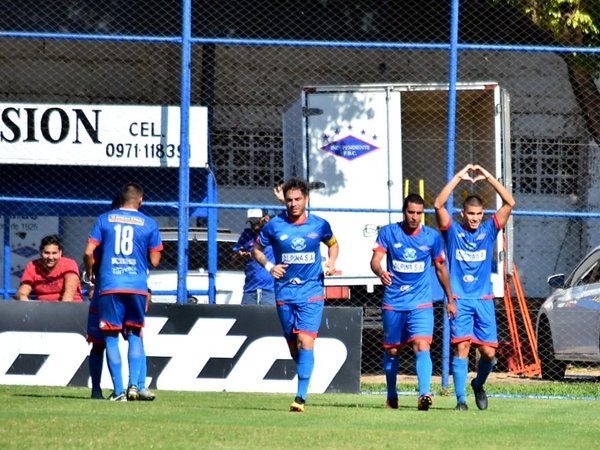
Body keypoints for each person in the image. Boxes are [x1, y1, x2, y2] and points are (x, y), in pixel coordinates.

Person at [252, 177, 339, 412]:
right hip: (285, 292)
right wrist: (270, 267)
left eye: (297, 199)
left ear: (306, 199)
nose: (293, 204)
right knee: (294, 346)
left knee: (305, 340)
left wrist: (331, 262)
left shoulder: (319, 225)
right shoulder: (274, 226)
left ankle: (300, 398)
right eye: (289, 200)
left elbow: (333, 244)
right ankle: (305, 372)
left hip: (311, 291)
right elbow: (256, 251)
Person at [433, 164, 515, 411]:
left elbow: (510, 202)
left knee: (489, 353)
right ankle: (461, 401)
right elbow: (438, 204)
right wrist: (459, 176)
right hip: (460, 299)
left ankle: (478, 384)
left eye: (479, 214)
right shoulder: (453, 232)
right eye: (471, 214)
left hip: (484, 299)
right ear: (462, 213)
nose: (475, 218)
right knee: (462, 347)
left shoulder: (489, 230)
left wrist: (488, 177)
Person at [370, 193, 455, 411]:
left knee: (422, 345)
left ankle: (424, 394)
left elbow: (441, 269)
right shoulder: (389, 232)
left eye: (419, 213)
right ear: (404, 211)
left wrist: (450, 299)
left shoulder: (432, 237)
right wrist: (380, 271)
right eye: (411, 212)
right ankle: (391, 395)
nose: (415, 217)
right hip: (394, 302)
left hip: (421, 303)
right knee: (392, 351)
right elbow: (375, 260)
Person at [83, 182, 163, 402]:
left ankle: (118, 392)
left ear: (120, 199)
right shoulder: (149, 223)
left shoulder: (105, 219)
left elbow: (89, 252)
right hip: (137, 286)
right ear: (141, 200)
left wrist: (90, 272)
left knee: (109, 338)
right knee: (135, 335)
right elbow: (155, 260)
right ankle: (134, 387)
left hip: (109, 286)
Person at [15, 234, 83, 302]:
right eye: (47, 253)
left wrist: (61, 309)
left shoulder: (69, 264)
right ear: (40, 252)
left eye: (54, 253)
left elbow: (69, 294)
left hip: (70, 306)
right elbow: (22, 292)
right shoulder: (32, 265)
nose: (50, 257)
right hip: (44, 308)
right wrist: (23, 299)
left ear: (60, 253)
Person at [233, 208, 276, 305]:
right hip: (250, 288)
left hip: (270, 290)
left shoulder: (274, 234)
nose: (253, 225)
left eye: (256, 222)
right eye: (251, 222)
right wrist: (241, 255)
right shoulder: (247, 234)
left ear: (265, 218)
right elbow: (234, 258)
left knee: (270, 318)